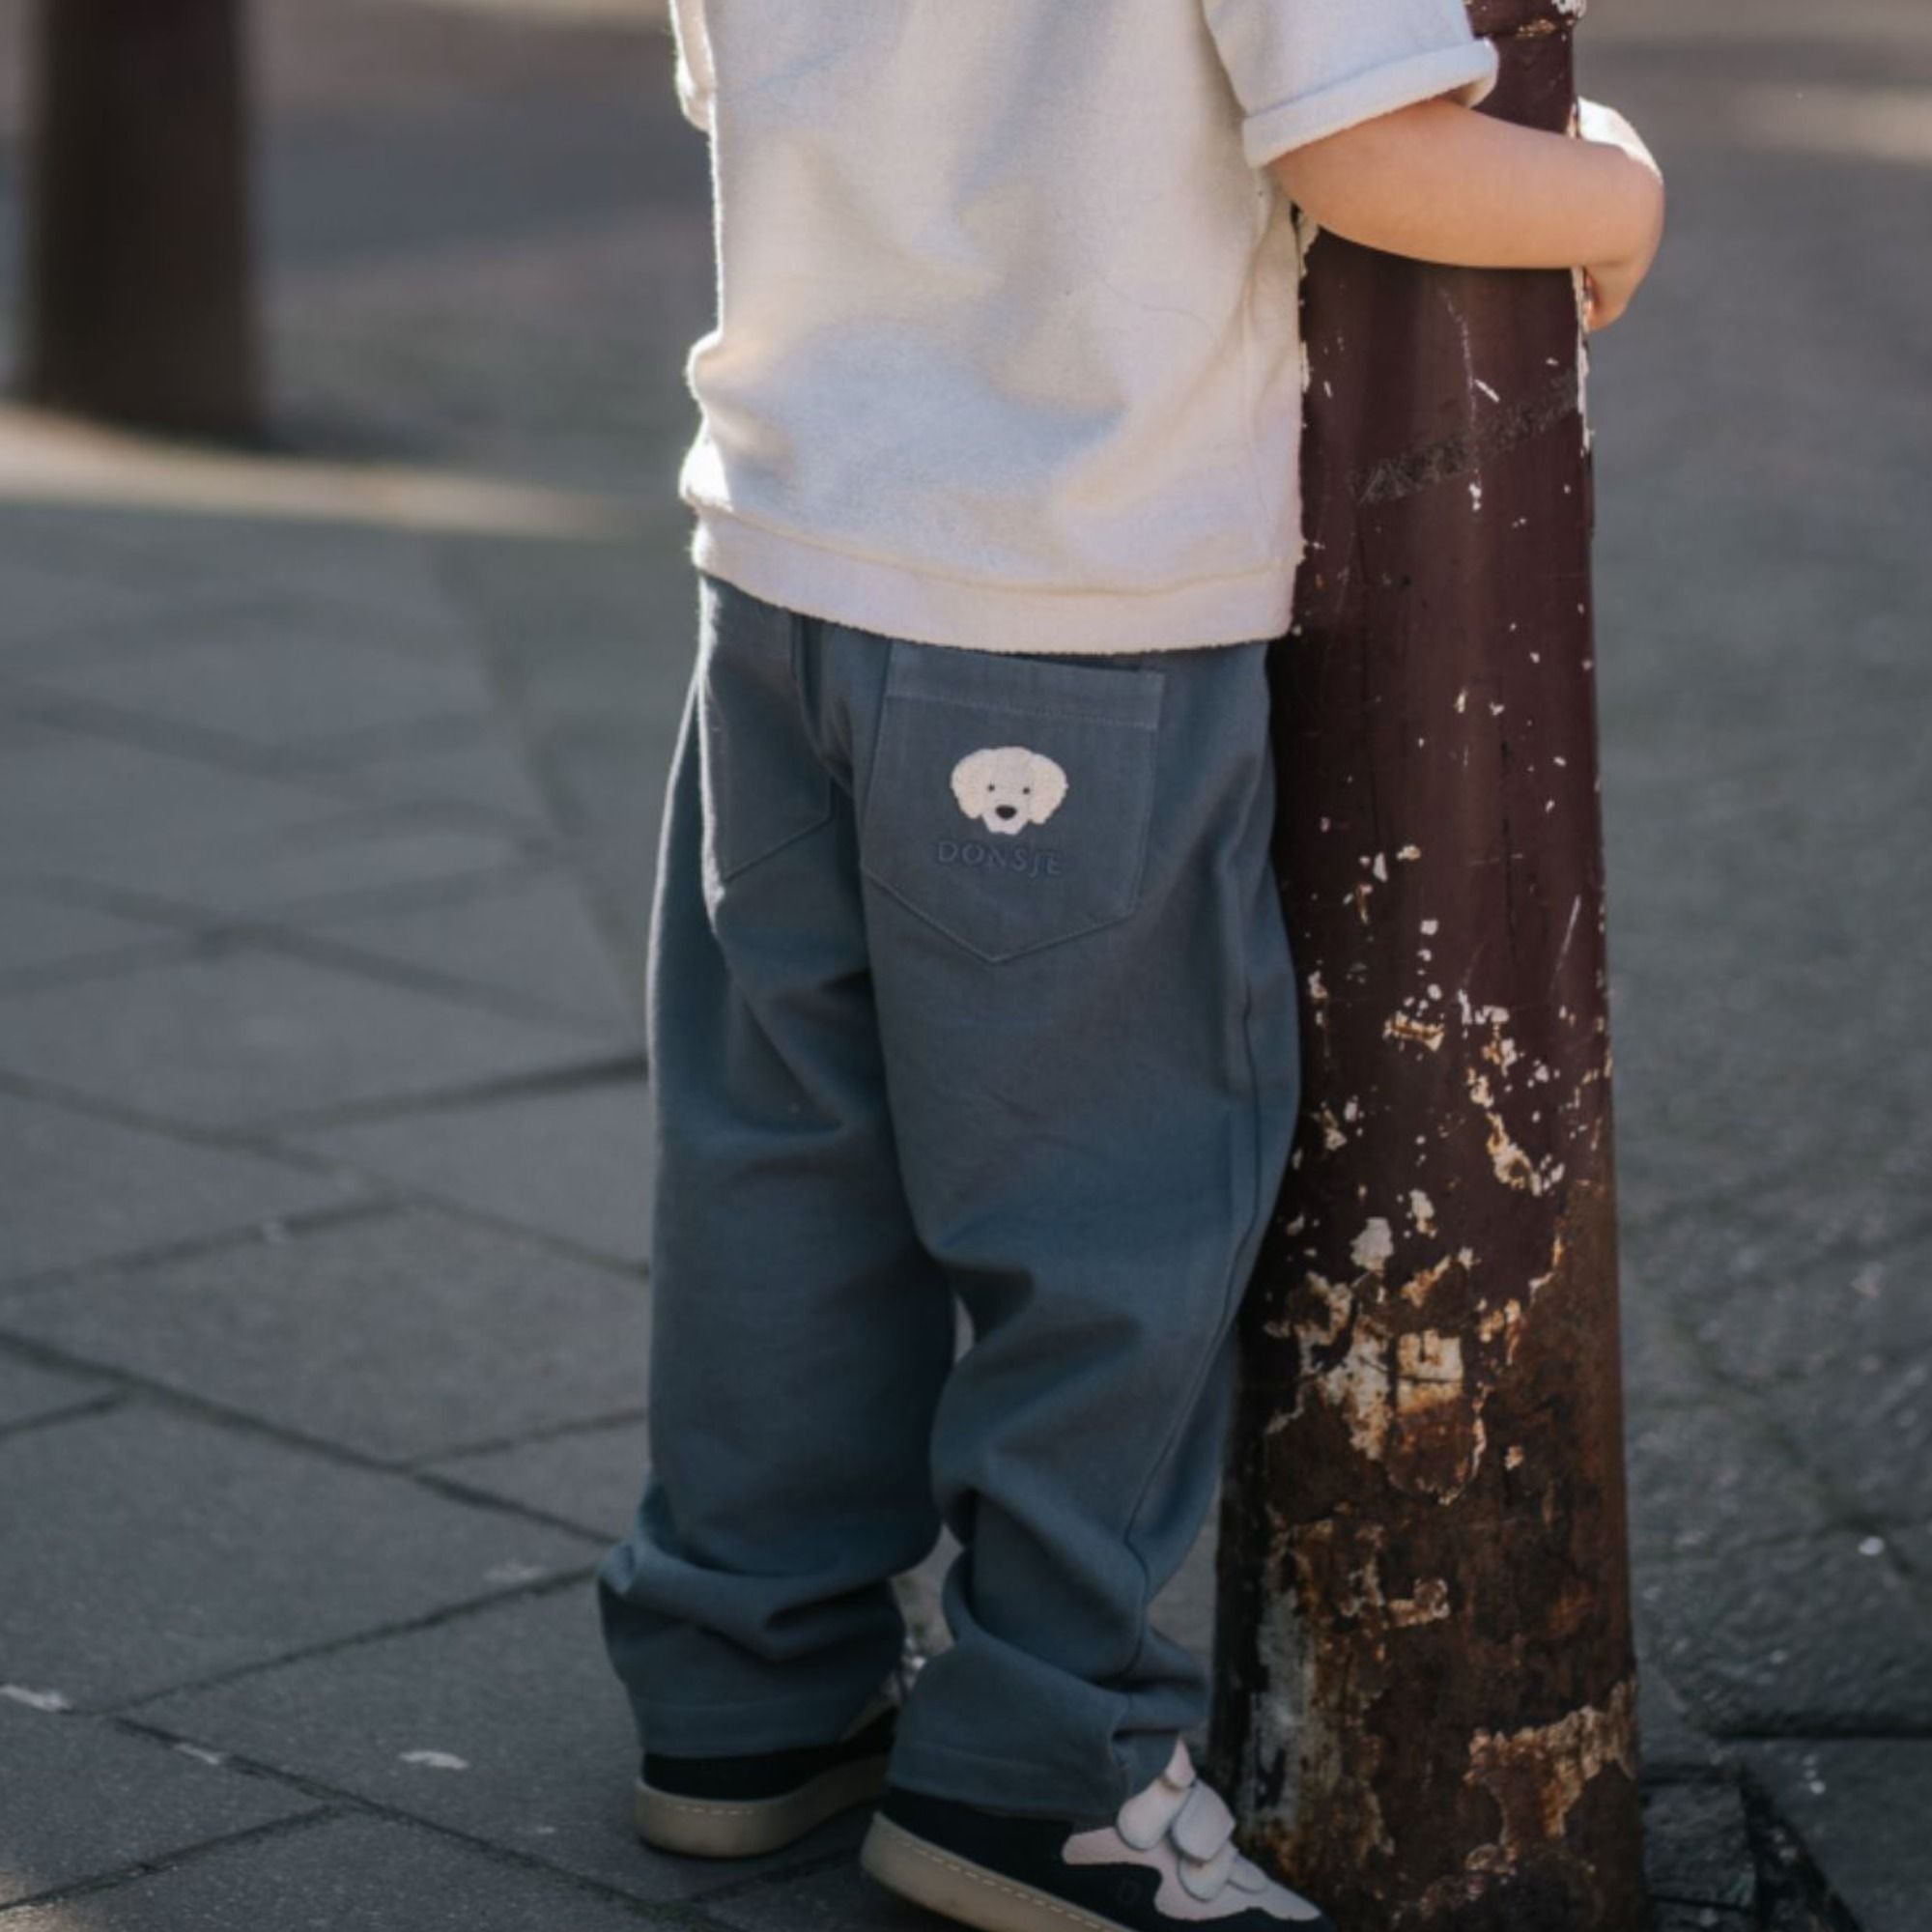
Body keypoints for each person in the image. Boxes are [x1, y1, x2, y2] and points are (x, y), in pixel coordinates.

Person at [595, 2, 1665, 1927]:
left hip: (774, 568)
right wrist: (1614, 186)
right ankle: (1045, 1763)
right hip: (1070, 607)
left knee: (784, 1170)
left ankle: (743, 1690)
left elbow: (747, 95)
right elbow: (1369, 151)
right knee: (1111, 1213)